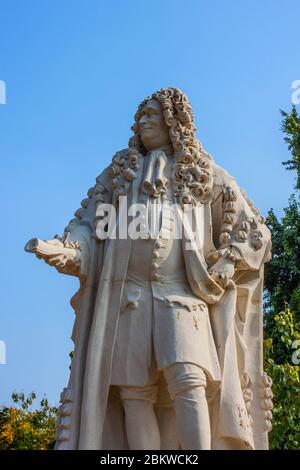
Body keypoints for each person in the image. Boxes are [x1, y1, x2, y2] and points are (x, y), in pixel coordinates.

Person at [25, 88, 273, 450]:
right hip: (130, 300)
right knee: (132, 392)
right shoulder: (118, 175)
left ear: (174, 122)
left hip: (184, 296)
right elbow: (89, 227)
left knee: (189, 381)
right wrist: (68, 250)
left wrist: (229, 258)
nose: (142, 122)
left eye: (151, 115)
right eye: (140, 116)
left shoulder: (205, 172)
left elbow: (254, 232)